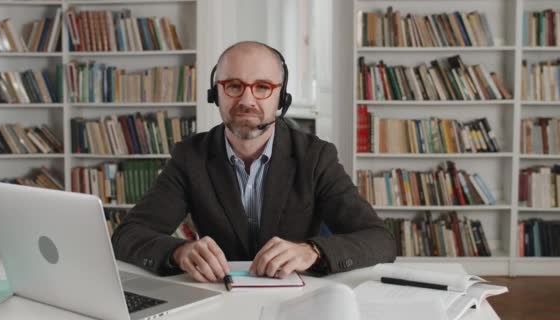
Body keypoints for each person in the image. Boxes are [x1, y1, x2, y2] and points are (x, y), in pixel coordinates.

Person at [112, 41, 396, 283]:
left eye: (262, 87)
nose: (247, 100)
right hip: (219, 298)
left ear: (281, 97)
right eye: (234, 85)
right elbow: (128, 235)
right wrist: (178, 252)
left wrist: (312, 251)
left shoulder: (316, 157)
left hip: (296, 299)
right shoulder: (190, 156)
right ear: (215, 93)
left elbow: (379, 240)